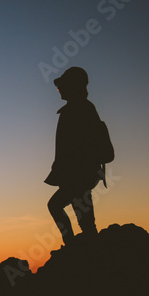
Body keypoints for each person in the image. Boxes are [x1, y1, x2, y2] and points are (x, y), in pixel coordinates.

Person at [44, 67, 104, 246]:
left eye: (62, 86)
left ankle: (73, 247)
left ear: (73, 86)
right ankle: (77, 246)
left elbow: (78, 145)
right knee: (83, 217)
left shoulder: (79, 109)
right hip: (79, 174)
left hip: (79, 174)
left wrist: (69, 171)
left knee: (61, 208)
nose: (60, 90)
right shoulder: (79, 108)